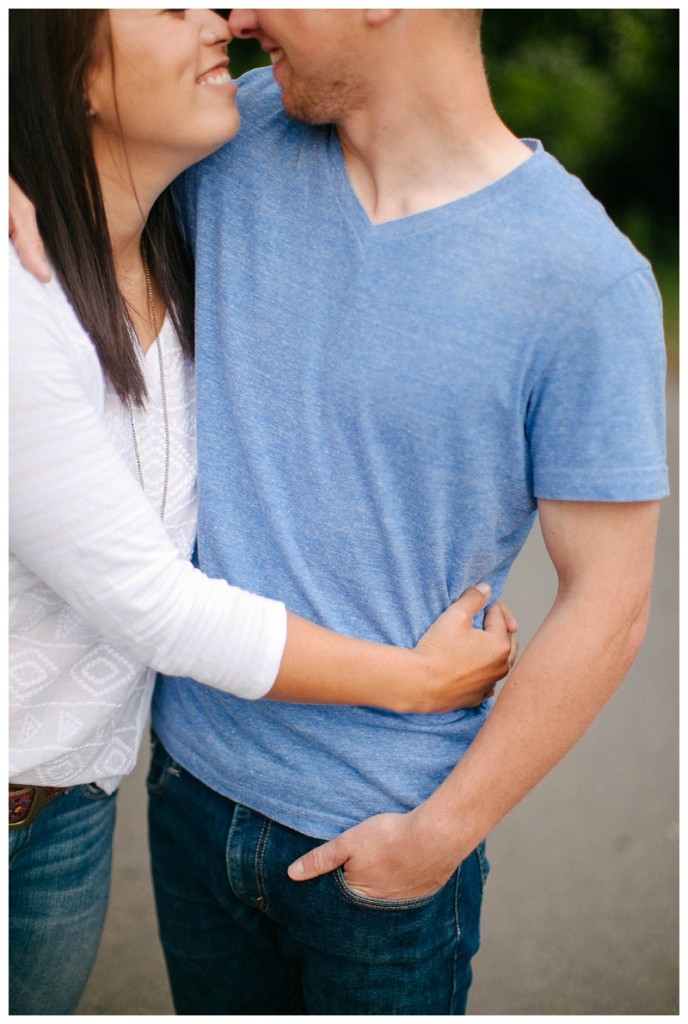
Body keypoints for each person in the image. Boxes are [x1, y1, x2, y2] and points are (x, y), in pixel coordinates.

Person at [12, 8, 668, 1016]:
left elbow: (610, 604)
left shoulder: (586, 282)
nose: (238, 18)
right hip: (189, 795)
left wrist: (436, 838)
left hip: (383, 844)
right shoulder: (224, 137)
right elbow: (54, 105)